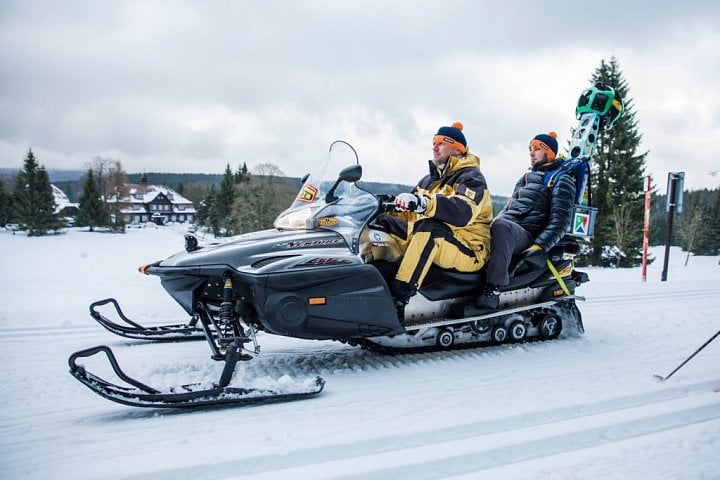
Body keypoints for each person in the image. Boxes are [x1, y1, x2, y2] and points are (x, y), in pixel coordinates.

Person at [375, 122, 493, 319]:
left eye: (441, 143)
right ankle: (372, 278)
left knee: (430, 228)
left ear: (457, 149)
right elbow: (408, 213)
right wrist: (386, 207)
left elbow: (462, 212)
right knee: (383, 222)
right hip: (440, 240)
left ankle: (398, 300)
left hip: (469, 247)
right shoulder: (429, 180)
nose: (434, 146)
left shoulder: (472, 177)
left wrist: (423, 203)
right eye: (434, 142)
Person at [476, 131, 576, 310]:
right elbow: (509, 208)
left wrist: (540, 245)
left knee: (501, 226)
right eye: (530, 149)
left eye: (537, 149)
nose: (531, 152)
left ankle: (493, 289)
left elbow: (560, 221)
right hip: (508, 228)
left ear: (550, 153)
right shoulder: (525, 178)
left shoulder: (562, 179)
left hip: (527, 235)